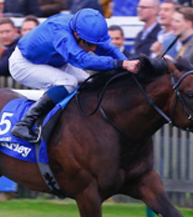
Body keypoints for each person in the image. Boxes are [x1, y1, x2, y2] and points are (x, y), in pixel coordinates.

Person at [8, 9, 139, 143]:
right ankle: (24, 124)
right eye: (89, 44)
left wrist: (127, 63)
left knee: (89, 81)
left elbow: (109, 49)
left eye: (96, 44)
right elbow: (81, 60)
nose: (94, 49)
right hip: (24, 63)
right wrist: (119, 64)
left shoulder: (84, 28)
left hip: (55, 60)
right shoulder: (61, 33)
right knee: (68, 83)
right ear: (76, 34)